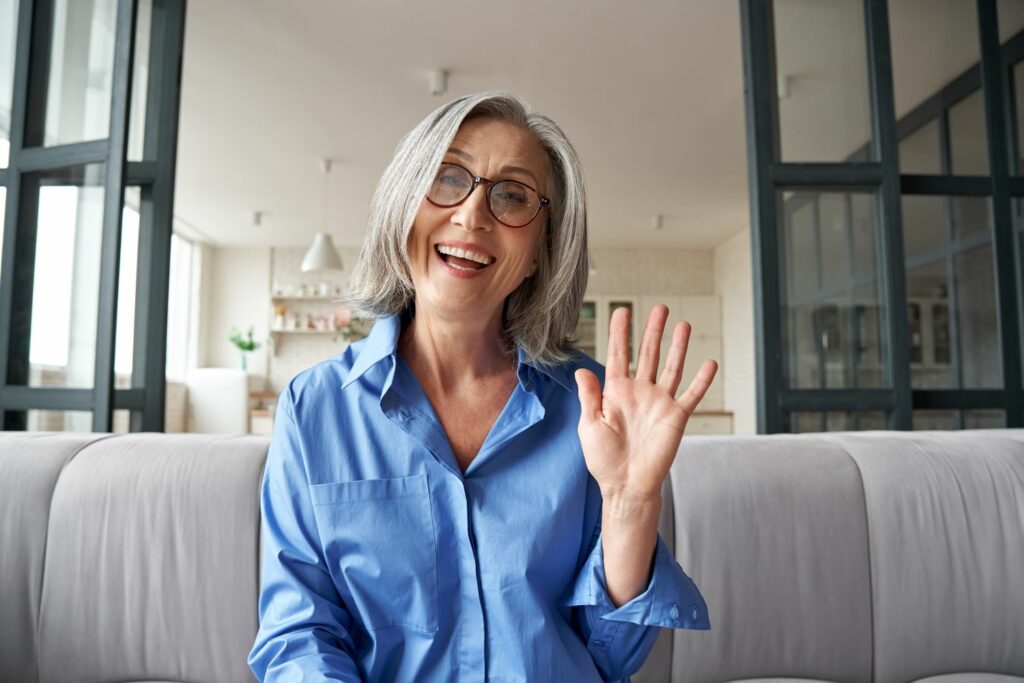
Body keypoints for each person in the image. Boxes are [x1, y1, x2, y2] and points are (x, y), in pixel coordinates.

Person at [248, 92, 718, 682]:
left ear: (540, 253)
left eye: (513, 195)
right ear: (402, 208)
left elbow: (612, 658)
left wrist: (631, 506)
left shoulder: (596, 405)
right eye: (448, 179)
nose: (473, 215)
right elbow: (299, 637)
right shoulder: (315, 407)